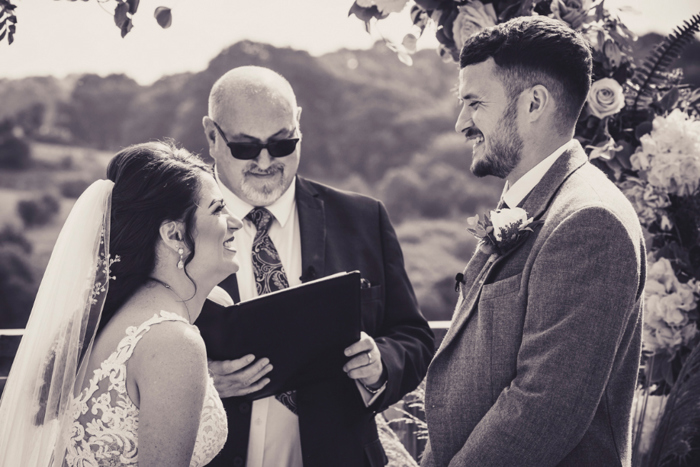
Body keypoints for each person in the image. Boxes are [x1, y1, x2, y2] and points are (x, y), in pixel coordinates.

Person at [421, 17, 646, 467]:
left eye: (475, 103)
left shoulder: (589, 221)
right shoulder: (536, 201)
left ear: (534, 103)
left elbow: (543, 408)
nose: (462, 122)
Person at [195, 66, 435, 467]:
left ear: (299, 125)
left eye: (283, 143)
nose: (266, 161)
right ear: (211, 136)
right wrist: (198, 384)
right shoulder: (175, 227)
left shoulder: (363, 217)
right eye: (245, 148)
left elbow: (414, 337)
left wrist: (380, 365)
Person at [0, 141, 243, 466]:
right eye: (217, 209)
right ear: (174, 235)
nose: (236, 221)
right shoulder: (173, 342)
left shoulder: (116, 313)